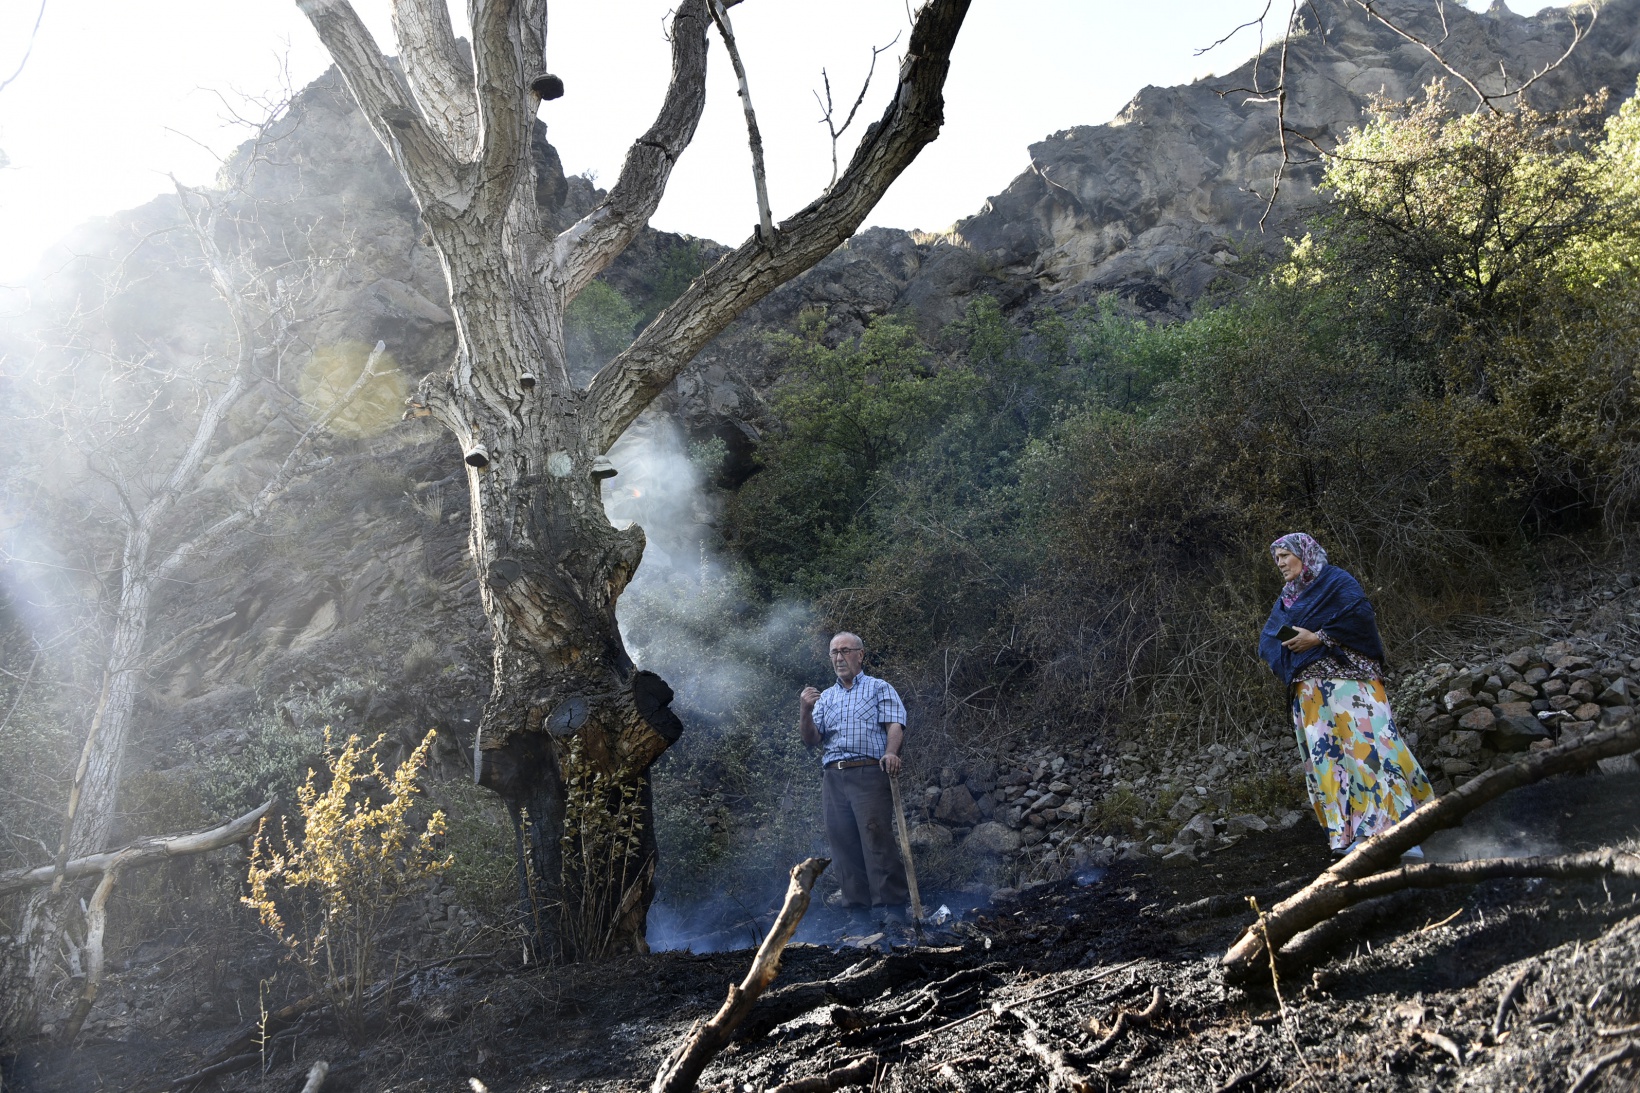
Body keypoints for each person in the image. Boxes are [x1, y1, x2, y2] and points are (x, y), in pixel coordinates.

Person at [1259, 533, 1434, 857]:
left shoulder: (1335, 581)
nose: (1281, 563)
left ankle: (1401, 832)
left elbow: (1360, 618)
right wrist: (1293, 648)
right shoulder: (1286, 600)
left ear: (1305, 554)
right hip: (1310, 693)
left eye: (1285, 555)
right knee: (1331, 762)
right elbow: (1268, 638)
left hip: (1352, 684)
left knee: (1371, 752)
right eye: (1277, 558)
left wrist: (1318, 637)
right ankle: (1356, 835)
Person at [799, 631, 910, 928]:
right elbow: (811, 740)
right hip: (834, 776)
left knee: (877, 837)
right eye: (834, 653)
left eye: (845, 651)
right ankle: (858, 914)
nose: (839, 658)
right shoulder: (826, 698)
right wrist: (805, 709)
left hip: (869, 771)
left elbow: (895, 724)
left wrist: (891, 753)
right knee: (842, 842)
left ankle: (894, 910)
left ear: (860, 655)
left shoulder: (879, 688)